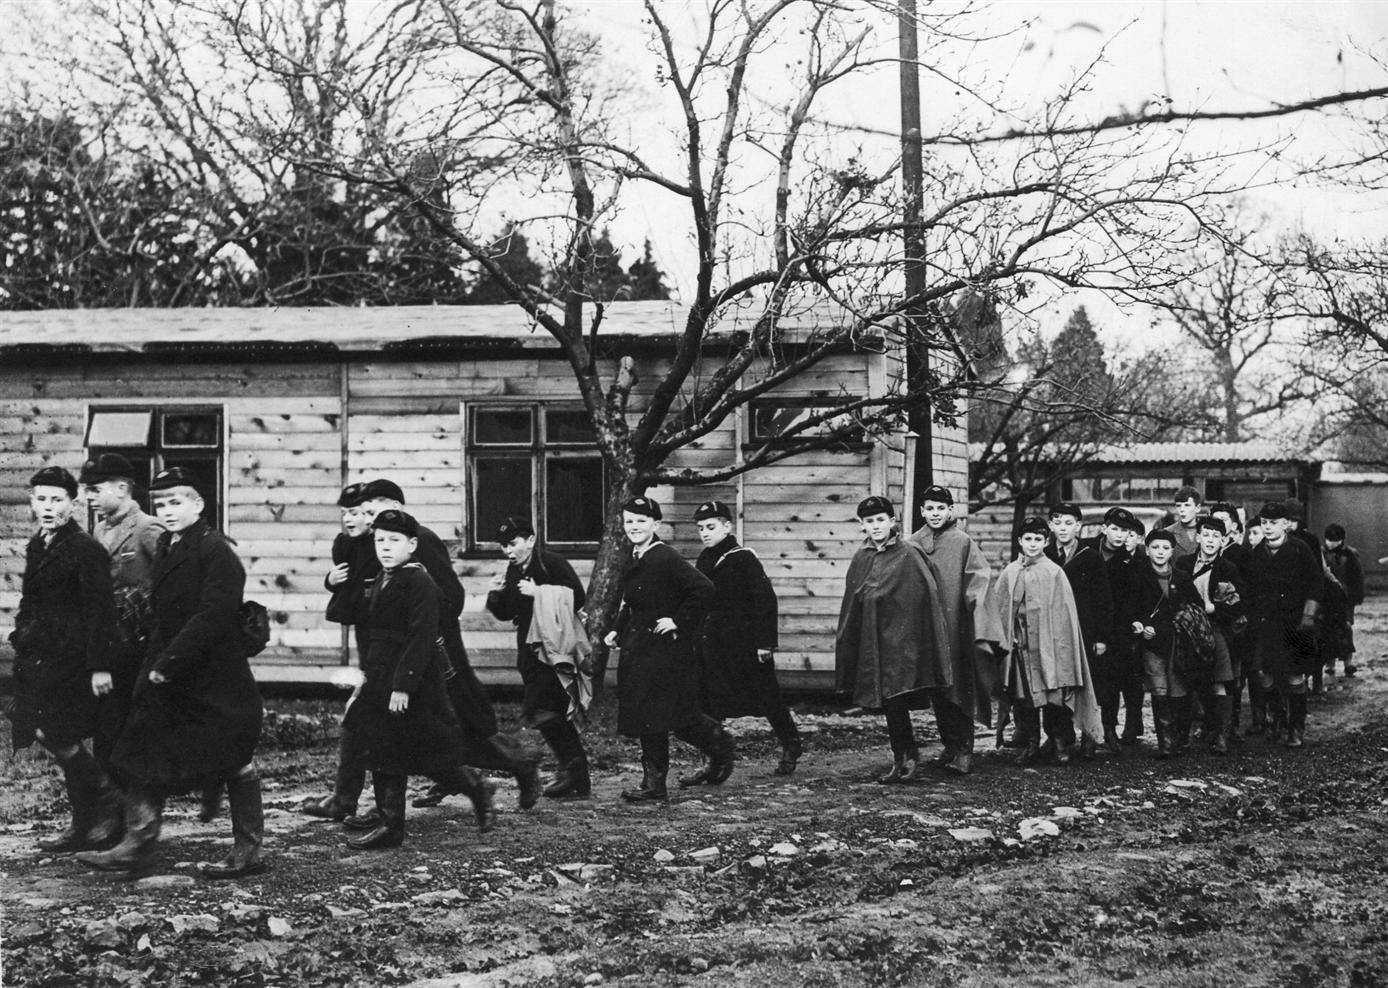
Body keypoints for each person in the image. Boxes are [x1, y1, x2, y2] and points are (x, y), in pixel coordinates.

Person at [79, 467, 266, 878]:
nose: (168, 510)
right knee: (137, 750)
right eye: (161, 503)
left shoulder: (216, 551)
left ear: (198, 504)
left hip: (213, 676)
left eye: (177, 501)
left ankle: (248, 850)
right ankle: (138, 845)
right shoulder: (167, 543)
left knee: (234, 759)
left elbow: (212, 616)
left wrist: (170, 662)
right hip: (167, 668)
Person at [356, 480, 542, 811]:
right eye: (368, 513)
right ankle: (447, 781)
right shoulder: (386, 543)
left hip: (439, 653)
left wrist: (421, 629)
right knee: (427, 724)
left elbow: (451, 597)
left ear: (399, 507)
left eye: (378, 510)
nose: (372, 519)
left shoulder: (421, 541)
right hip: (414, 651)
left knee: (459, 722)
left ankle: (520, 764)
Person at [340, 509, 492, 849]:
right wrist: (366, 681)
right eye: (380, 540)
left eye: (394, 541)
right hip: (382, 679)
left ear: (412, 544)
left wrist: (403, 686)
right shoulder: (383, 578)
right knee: (382, 751)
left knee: (431, 755)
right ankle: (391, 826)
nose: (385, 547)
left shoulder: (418, 580)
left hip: (415, 685)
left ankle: (476, 788)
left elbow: (421, 636)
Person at [7, 466, 120, 854]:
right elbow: (30, 599)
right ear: (32, 503)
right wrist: (21, 631)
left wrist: (100, 666)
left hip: (73, 661)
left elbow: (101, 612)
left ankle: (107, 808)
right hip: (41, 657)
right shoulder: (40, 544)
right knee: (47, 732)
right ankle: (82, 824)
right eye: (41, 499)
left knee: (59, 734)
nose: (48, 507)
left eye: (57, 500)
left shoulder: (86, 549)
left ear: (72, 504)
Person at [603, 495, 732, 802]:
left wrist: (677, 621)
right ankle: (660, 779)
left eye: (641, 521)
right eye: (629, 521)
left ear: (656, 524)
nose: (634, 527)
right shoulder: (637, 556)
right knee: (661, 715)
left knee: (671, 716)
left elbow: (704, 589)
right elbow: (632, 602)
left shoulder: (665, 556)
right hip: (641, 648)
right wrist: (616, 630)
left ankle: (711, 750)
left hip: (664, 653)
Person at [685, 499, 802, 781]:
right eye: (701, 528)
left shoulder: (743, 558)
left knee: (767, 698)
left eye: (711, 527)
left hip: (746, 646)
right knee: (709, 701)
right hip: (712, 644)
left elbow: (765, 601)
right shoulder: (705, 559)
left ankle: (790, 744)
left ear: (727, 526)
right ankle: (715, 761)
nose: (705, 533)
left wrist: (765, 643)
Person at [837, 495, 952, 782]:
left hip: (901, 642)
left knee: (897, 697)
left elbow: (923, 595)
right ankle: (900, 756)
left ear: (892, 521)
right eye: (869, 522)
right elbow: (854, 598)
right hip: (874, 640)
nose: (876, 526)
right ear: (862, 525)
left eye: (880, 520)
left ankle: (910, 757)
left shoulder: (908, 554)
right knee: (888, 702)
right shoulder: (862, 556)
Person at [485, 516, 593, 799]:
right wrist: (495, 595)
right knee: (546, 711)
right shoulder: (513, 568)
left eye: (513, 544)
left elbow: (578, 597)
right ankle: (574, 774)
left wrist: (539, 593)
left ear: (530, 540)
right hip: (530, 649)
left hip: (554, 647)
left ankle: (575, 774)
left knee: (544, 710)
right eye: (503, 546)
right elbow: (508, 611)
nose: (508, 551)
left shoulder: (551, 563)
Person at [978, 517, 1101, 766]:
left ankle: (1059, 742)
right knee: (1024, 697)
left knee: (1054, 694)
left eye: (1037, 539)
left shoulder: (1054, 572)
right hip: (1020, 646)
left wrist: (1058, 646)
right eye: (1028, 539)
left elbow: (1064, 615)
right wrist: (1006, 636)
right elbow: (999, 609)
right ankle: (1030, 742)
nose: (1032, 544)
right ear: (1019, 541)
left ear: (1046, 541)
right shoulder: (1010, 572)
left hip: (1049, 647)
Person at [79, 453, 164, 776]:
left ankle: (139, 812)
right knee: (106, 728)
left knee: (134, 731)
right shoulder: (99, 531)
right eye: (87, 491)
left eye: (96, 489)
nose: (90, 498)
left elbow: (170, 584)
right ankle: (111, 814)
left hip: (140, 649)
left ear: (123, 487)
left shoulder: (147, 528)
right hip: (109, 646)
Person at [301, 482, 380, 822]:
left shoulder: (384, 543)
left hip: (389, 641)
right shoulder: (343, 544)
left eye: (358, 512)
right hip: (368, 639)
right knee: (363, 719)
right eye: (346, 513)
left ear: (372, 514)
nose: (350, 519)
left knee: (365, 719)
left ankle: (472, 781)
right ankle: (347, 800)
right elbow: (345, 588)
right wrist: (330, 580)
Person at [906, 487, 993, 775]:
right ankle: (949, 744)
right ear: (922, 511)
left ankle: (964, 749)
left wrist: (976, 611)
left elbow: (978, 580)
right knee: (937, 688)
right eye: (929, 508)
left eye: (940, 509)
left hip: (955, 627)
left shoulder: (962, 542)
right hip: (926, 628)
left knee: (958, 687)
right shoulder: (913, 543)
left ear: (950, 511)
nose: (935, 514)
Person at [1240, 500, 1321, 748]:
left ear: (1286, 524)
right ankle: (1278, 719)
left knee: (1295, 677)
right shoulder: (1255, 554)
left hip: (1295, 624)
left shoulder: (1300, 550)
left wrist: (1308, 616)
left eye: (1273, 523)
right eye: (1264, 523)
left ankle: (1296, 727)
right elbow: (1249, 591)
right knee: (1264, 673)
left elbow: (1316, 585)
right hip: (1265, 625)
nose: (1268, 528)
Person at [1045, 503, 1114, 756]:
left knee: (1089, 682)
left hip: (1085, 630)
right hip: (1054, 631)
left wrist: (1101, 637)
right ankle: (1059, 736)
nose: (1063, 529)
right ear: (1051, 526)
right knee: (1056, 682)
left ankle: (1089, 735)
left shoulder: (1090, 556)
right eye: (1058, 523)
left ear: (1078, 526)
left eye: (1068, 523)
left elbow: (1103, 598)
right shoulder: (1045, 554)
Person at [1175, 516, 1246, 754]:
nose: (1210, 540)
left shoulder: (1228, 568)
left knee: (1220, 681)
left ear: (1223, 541)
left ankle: (1222, 735)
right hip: (1187, 629)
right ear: (1198, 537)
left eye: (1216, 536)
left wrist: (1216, 609)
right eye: (1206, 535)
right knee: (1185, 681)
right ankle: (1183, 735)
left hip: (1215, 628)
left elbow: (1238, 604)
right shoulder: (1184, 564)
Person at [1132, 529, 1205, 758]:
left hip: (1178, 643)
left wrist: (1179, 621)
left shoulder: (1181, 577)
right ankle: (1166, 742)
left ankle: (1180, 737)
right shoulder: (1139, 575)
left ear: (1172, 551)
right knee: (1159, 689)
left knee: (1178, 690)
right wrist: (1140, 625)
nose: (1160, 552)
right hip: (1151, 644)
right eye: (1155, 547)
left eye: (1165, 548)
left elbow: (1196, 607)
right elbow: (1131, 608)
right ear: (1147, 549)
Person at [1322, 523, 1364, 678]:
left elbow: (1357, 578)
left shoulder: (1350, 554)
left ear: (1342, 540)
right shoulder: (1321, 553)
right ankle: (1330, 664)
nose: (1331, 543)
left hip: (1345, 598)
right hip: (1326, 598)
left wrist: (1356, 596)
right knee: (1327, 630)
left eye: (1335, 540)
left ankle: (1348, 663)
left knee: (1346, 628)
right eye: (1329, 539)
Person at [1163, 487, 1203, 559]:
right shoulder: (1167, 533)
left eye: (1187, 505)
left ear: (1198, 508)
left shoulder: (1208, 533)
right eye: (1178, 506)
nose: (1182, 510)